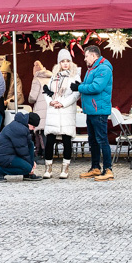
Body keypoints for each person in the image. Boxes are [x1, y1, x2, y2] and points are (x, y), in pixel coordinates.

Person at [74, 45, 115, 181]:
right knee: (93, 140)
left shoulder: (103, 68)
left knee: (102, 139)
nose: (85, 59)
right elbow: (90, 86)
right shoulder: (93, 69)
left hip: (99, 111)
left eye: (86, 56)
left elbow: (96, 87)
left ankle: (108, 169)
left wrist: (79, 87)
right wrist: (81, 86)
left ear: (93, 56)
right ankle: (95, 167)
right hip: (91, 110)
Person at [40, 50, 81, 179]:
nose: (65, 64)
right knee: (50, 140)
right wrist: (51, 102)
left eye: (67, 61)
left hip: (66, 111)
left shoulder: (75, 76)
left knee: (66, 139)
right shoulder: (54, 76)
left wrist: (62, 103)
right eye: (62, 61)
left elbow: (76, 94)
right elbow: (47, 91)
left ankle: (65, 168)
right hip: (54, 111)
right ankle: (48, 168)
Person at [0, 112, 44, 182]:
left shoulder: (20, 125)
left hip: (10, 153)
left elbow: (26, 146)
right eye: (33, 127)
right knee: (27, 167)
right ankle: (1, 171)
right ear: (29, 123)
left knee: (31, 144)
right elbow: (22, 150)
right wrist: (30, 165)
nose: (33, 129)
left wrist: (31, 162)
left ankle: (27, 173)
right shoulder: (20, 129)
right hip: (4, 156)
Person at [28, 60, 52, 160]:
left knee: (41, 133)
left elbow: (32, 97)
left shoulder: (37, 79)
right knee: (48, 133)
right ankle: (47, 154)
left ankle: (43, 155)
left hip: (40, 110)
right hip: (51, 108)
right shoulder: (51, 77)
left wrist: (29, 99)